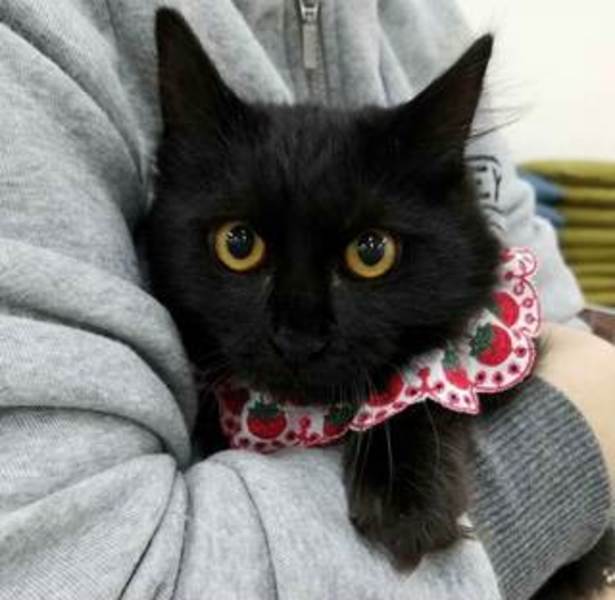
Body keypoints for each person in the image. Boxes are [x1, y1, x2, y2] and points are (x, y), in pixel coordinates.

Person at [0, 1, 612, 598]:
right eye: (240, 247)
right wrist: (555, 449)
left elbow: (548, 320)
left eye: (369, 254)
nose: (298, 333)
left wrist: (425, 425)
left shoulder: (423, 19)